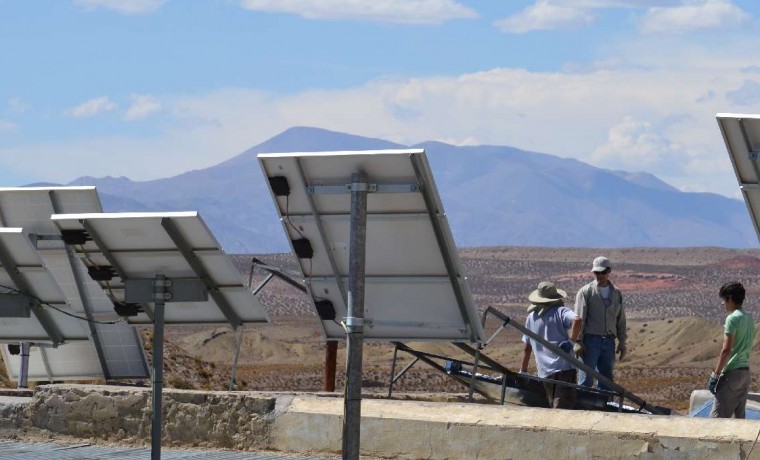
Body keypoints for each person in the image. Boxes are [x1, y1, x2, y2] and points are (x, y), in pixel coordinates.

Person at [520, 281, 583, 409]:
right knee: (562, 410)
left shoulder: (531, 317)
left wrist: (523, 371)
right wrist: (571, 342)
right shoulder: (560, 311)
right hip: (563, 368)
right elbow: (577, 320)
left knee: (552, 405)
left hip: (544, 372)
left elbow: (527, 348)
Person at [574, 256, 627, 389]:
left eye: (603, 272)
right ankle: (583, 407)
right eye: (597, 272)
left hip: (609, 342)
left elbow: (620, 318)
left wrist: (622, 341)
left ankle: (605, 407)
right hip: (590, 341)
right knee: (586, 379)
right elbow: (580, 318)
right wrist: (578, 342)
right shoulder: (585, 292)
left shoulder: (616, 293)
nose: (600, 275)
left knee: (606, 380)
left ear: (609, 271)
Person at [709, 281, 755, 418]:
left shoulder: (732, 319)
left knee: (716, 421)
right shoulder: (749, 318)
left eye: (724, 300)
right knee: (739, 420)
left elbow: (726, 350)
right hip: (745, 373)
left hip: (732, 374)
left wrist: (715, 375)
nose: (723, 304)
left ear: (730, 298)